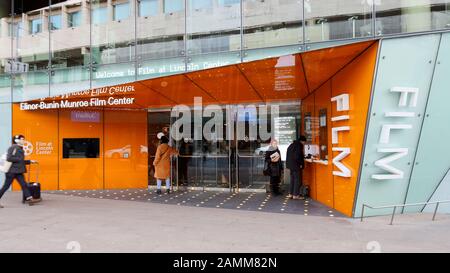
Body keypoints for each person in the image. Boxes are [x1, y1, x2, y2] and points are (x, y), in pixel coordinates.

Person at [0, 135, 40, 208]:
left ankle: (29, 199)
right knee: (5, 186)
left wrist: (30, 161)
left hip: (18, 171)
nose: (23, 140)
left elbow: (20, 161)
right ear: (16, 140)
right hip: (11, 172)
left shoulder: (19, 148)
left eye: (23, 139)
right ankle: (29, 198)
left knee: (24, 184)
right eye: (22, 139)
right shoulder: (13, 148)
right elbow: (9, 158)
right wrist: (19, 159)